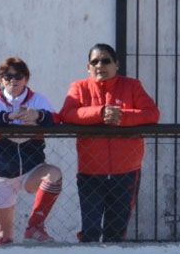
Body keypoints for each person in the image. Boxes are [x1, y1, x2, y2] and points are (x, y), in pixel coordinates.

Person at [59, 43, 159, 242]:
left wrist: (120, 117)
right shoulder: (79, 87)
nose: (100, 65)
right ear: (88, 68)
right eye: (94, 62)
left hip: (126, 173)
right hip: (90, 173)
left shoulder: (132, 86)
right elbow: (67, 114)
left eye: (106, 60)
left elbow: (152, 114)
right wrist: (100, 112)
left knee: (116, 231)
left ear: (117, 65)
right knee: (91, 230)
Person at [0, 57, 63, 245]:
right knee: (3, 236)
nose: (13, 81)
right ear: (1, 80)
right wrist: (8, 117)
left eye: (19, 76)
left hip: (30, 168)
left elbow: (56, 119)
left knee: (54, 175)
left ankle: (35, 226)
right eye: (7, 77)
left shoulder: (38, 99)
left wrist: (38, 116)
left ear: (26, 79)